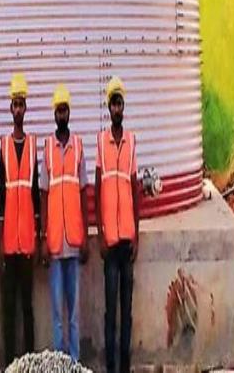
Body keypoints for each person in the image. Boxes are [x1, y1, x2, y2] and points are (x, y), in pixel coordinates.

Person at [40, 84, 89, 362]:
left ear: (69, 112)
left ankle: (74, 363)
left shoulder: (79, 147)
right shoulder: (47, 149)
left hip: (74, 241)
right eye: (58, 110)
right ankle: (60, 363)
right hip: (56, 244)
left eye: (65, 109)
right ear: (54, 114)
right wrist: (45, 238)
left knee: (74, 313)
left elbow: (83, 192)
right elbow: (44, 195)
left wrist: (84, 234)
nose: (62, 114)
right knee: (58, 313)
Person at [95, 77, 140, 373]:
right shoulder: (101, 141)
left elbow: (135, 187)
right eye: (113, 103)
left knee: (127, 310)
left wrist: (137, 231)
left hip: (127, 240)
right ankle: (110, 365)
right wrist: (99, 233)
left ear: (123, 107)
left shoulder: (132, 140)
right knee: (111, 310)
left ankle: (125, 365)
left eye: (120, 103)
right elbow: (98, 189)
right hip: (110, 242)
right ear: (108, 107)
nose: (116, 108)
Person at [0, 72, 40, 365]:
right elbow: (0, 194)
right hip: (8, 243)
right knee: (8, 306)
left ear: (25, 109)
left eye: (21, 104)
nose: (18, 109)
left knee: (28, 306)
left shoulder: (34, 145)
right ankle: (12, 364)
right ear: (10, 108)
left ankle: (28, 362)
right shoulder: (2, 146)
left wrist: (38, 237)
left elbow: (36, 193)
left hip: (26, 240)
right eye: (14, 104)